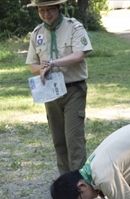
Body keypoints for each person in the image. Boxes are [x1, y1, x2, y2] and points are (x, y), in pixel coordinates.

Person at [26, 0, 92, 174]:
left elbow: (78, 55)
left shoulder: (74, 27)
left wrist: (52, 64)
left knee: (73, 138)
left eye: (50, 10)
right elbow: (32, 64)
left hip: (73, 89)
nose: (46, 14)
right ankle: (66, 181)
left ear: (59, 8)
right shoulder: (37, 33)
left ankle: (80, 184)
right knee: (59, 139)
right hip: (50, 91)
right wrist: (42, 68)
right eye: (41, 10)